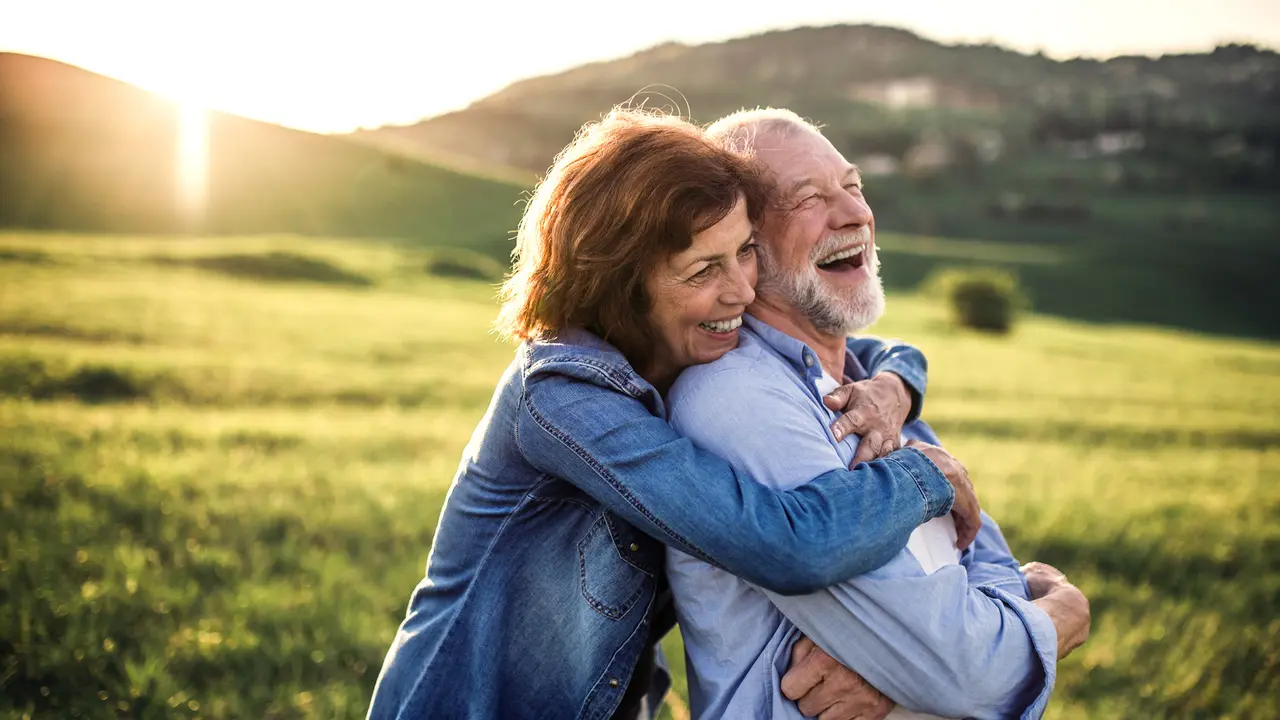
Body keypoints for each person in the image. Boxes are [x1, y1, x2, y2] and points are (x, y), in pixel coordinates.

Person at [365, 108, 984, 720]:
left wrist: (894, 386)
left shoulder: (685, 347)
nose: (741, 289)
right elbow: (785, 545)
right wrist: (927, 475)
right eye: (702, 271)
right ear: (621, 285)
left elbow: (868, 351)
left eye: (743, 251)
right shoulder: (562, 396)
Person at [665, 108, 1092, 720]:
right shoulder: (738, 401)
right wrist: (1059, 616)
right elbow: (965, 672)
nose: (856, 215)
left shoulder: (874, 394)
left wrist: (915, 667)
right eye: (810, 198)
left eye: (854, 187)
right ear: (741, 246)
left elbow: (982, 559)